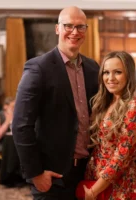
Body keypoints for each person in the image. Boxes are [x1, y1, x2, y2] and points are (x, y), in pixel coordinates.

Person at [12, 6, 99, 200]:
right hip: (53, 175)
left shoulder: (93, 68)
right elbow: (20, 125)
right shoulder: (38, 68)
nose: (75, 32)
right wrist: (35, 173)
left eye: (80, 27)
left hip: (88, 171)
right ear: (57, 29)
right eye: (68, 25)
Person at [83, 51, 136, 200]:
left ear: (129, 75)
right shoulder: (104, 103)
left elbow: (121, 157)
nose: (110, 78)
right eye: (106, 72)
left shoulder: (135, 107)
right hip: (96, 182)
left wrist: (94, 191)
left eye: (117, 72)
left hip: (120, 188)